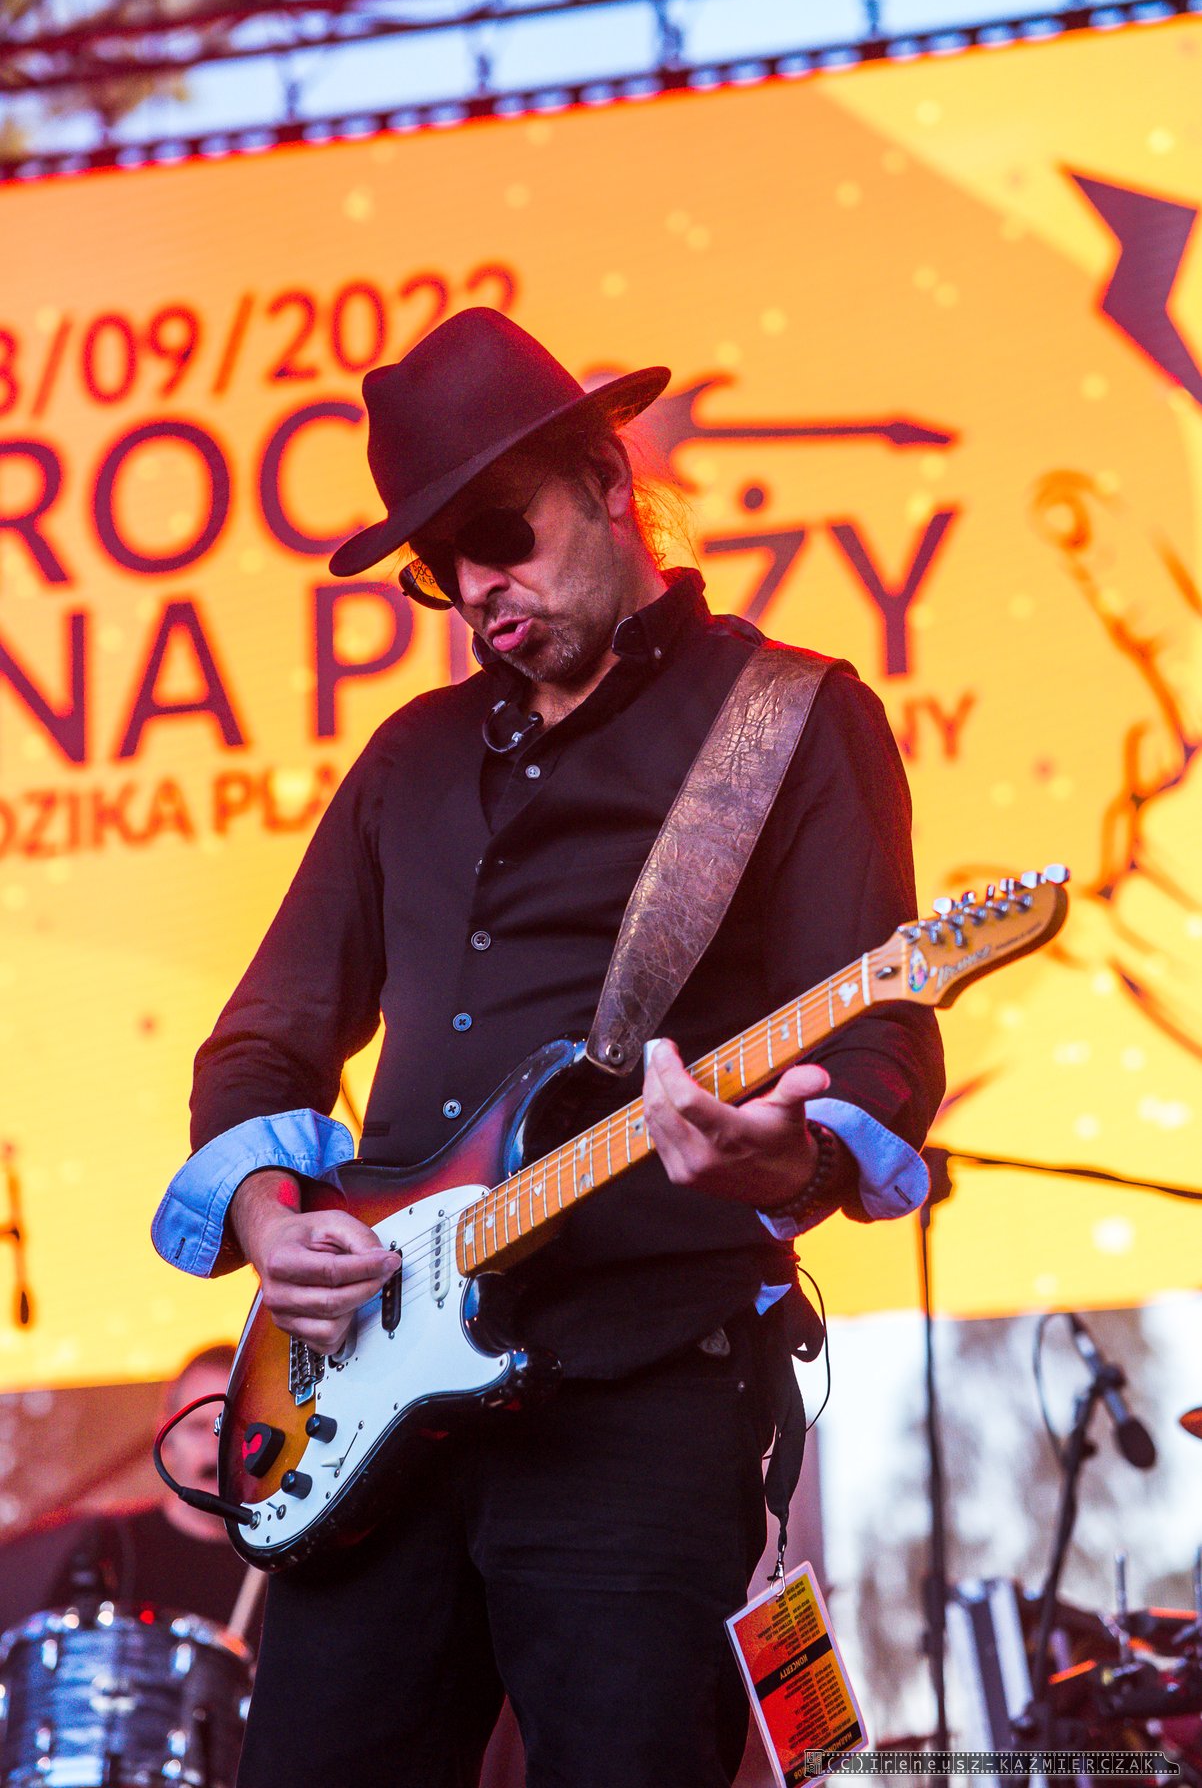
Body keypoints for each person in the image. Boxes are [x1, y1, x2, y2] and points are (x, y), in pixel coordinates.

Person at [152, 308, 945, 1788]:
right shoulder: (408, 757)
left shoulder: (787, 718)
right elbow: (260, 1043)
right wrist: (269, 1219)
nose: (475, 590)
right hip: (370, 1409)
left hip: (641, 1399)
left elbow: (882, 1031)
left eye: (499, 536)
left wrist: (781, 1159)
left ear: (604, 480)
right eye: (438, 568)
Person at [0, 1346, 257, 1638]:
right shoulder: (111, 1544)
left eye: (231, 1427)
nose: (216, 1447)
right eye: (198, 1427)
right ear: (166, 1439)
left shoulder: (276, 1561)